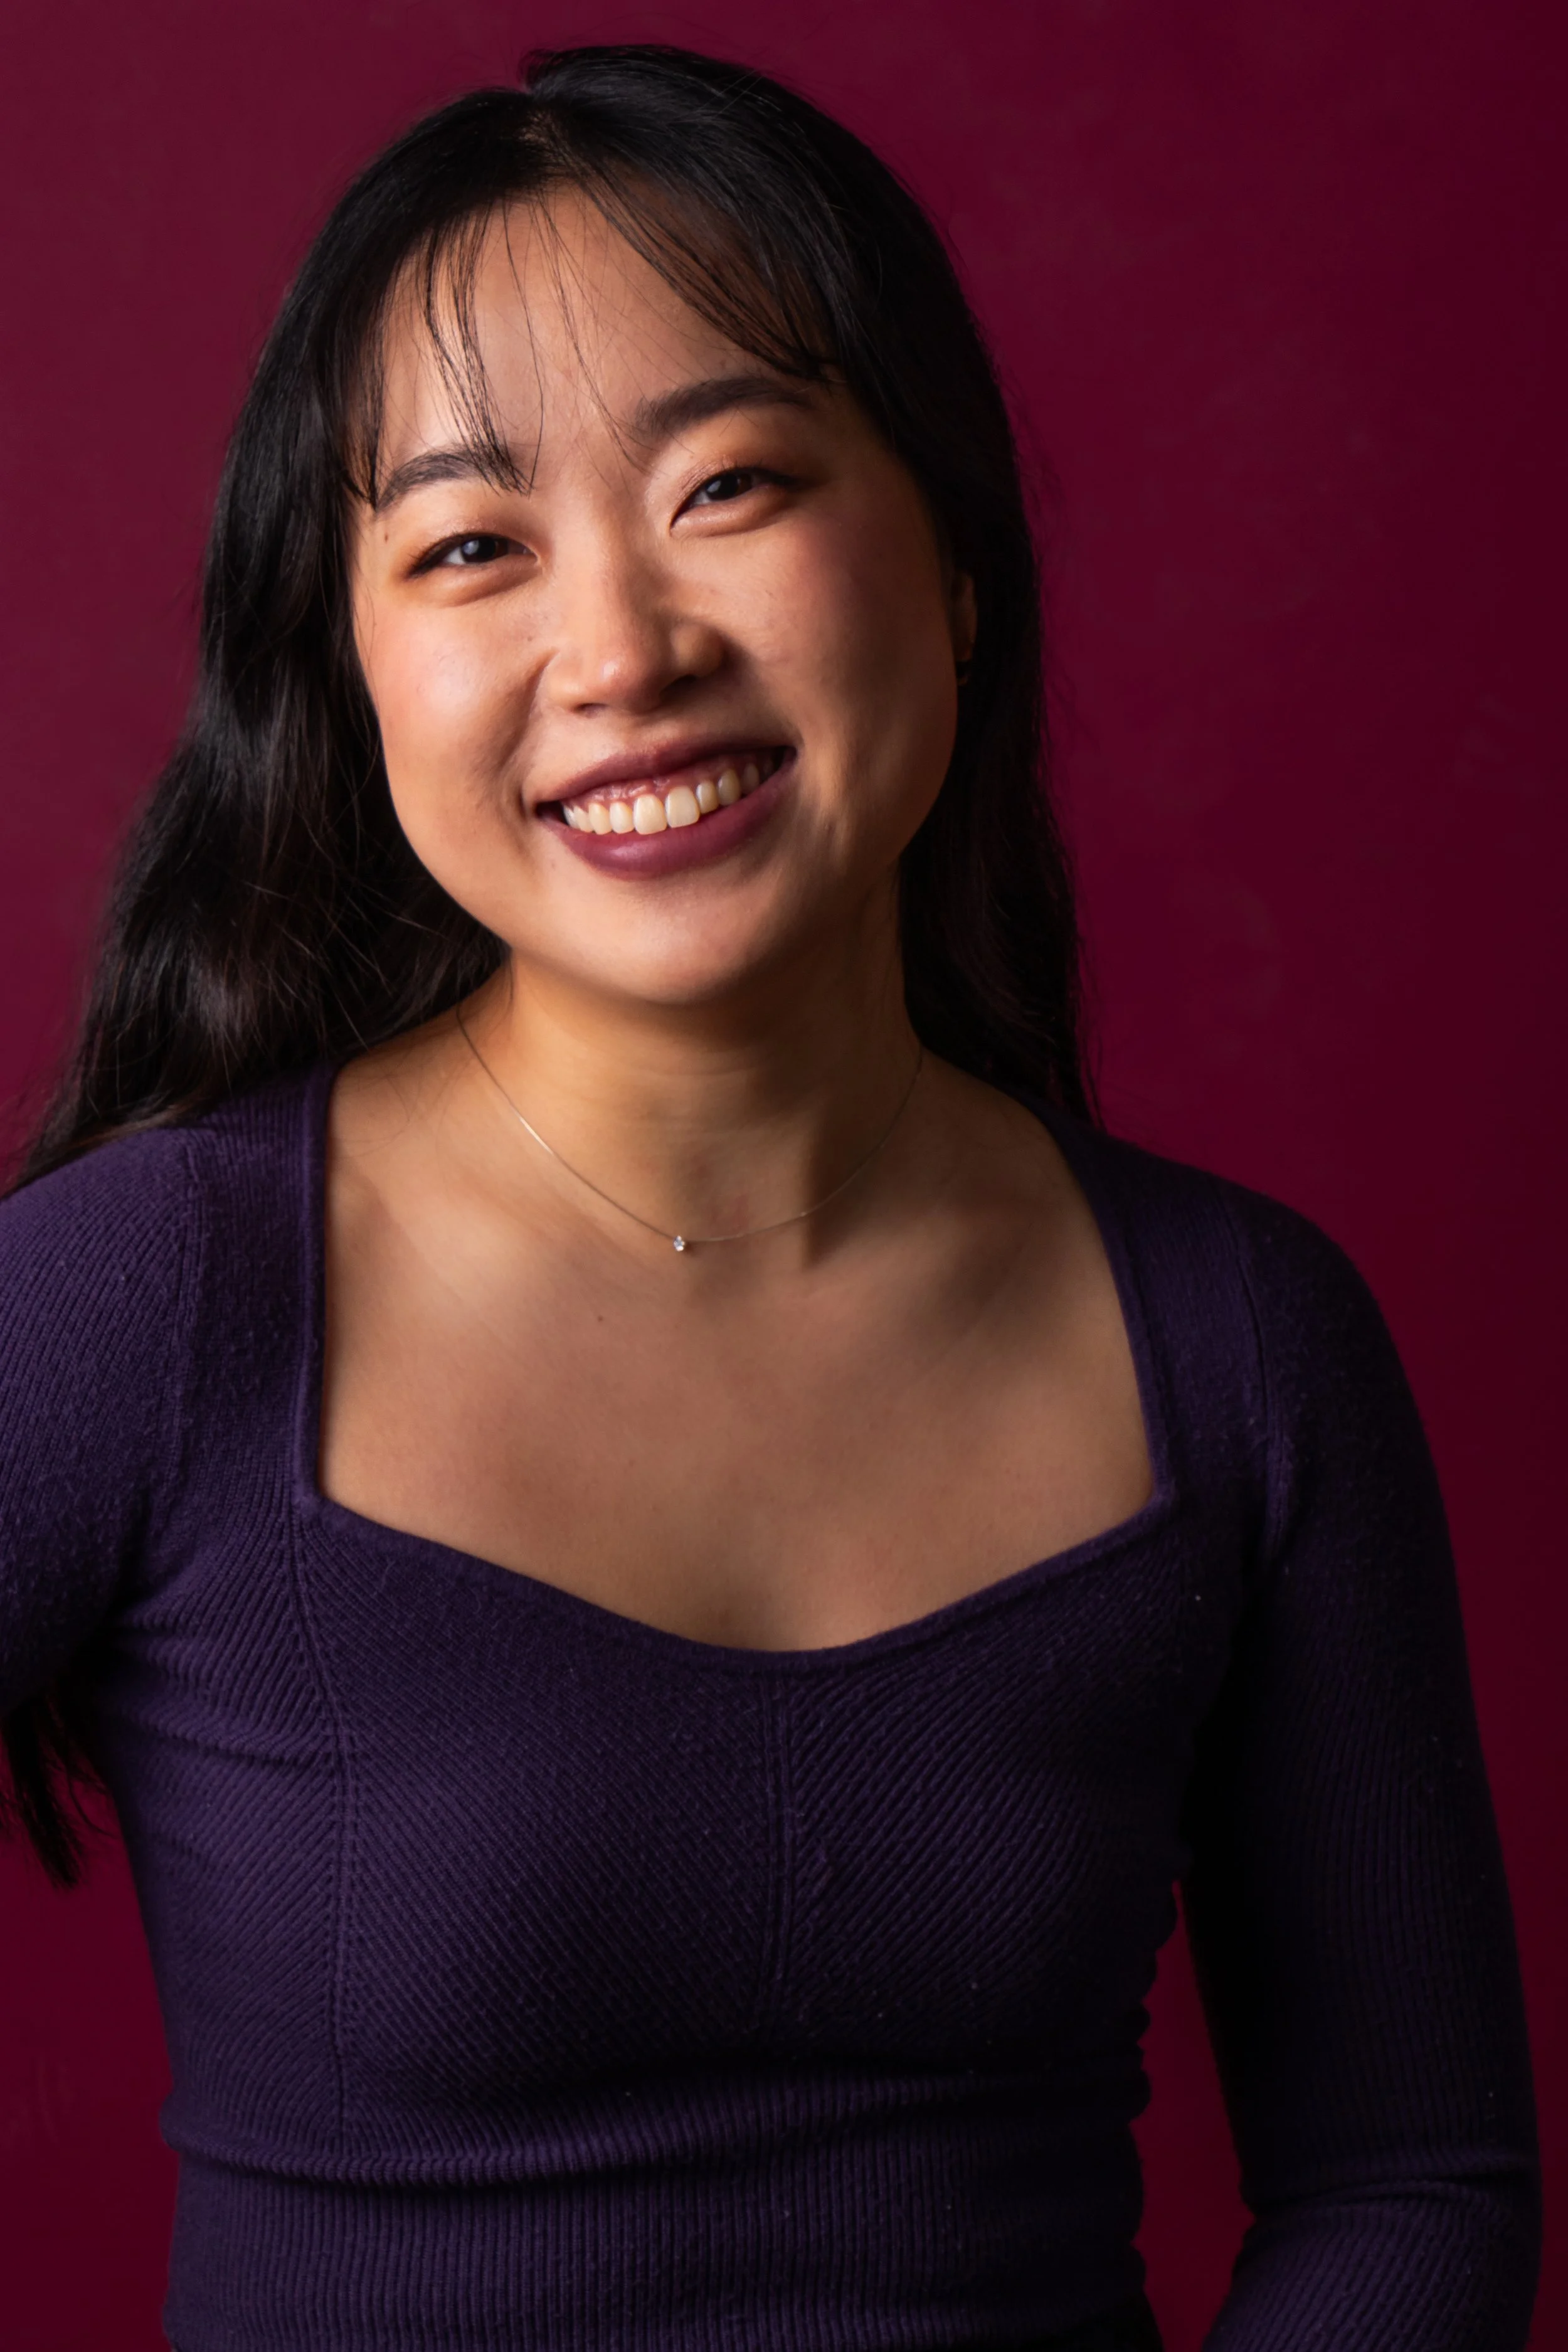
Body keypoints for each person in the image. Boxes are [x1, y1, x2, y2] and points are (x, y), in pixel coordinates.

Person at [0, 42, 1539, 2352]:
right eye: (466, 546)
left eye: (729, 483)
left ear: (954, 564)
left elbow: (1408, 2186)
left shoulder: (1236, 1337)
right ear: (351, 675)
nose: (619, 654)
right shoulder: (147, 1298)